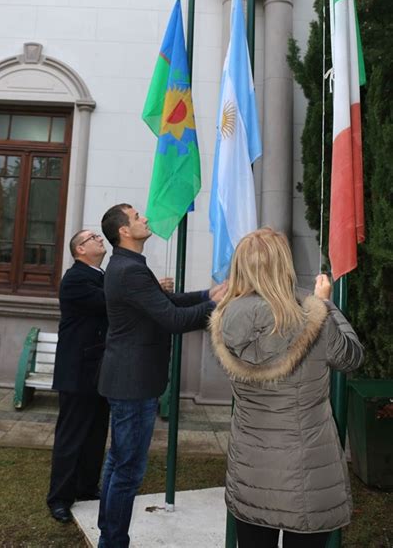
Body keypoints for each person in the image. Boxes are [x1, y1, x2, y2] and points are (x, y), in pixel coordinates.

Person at [210, 227, 364, 548]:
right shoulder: (312, 315)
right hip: (306, 470)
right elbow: (352, 357)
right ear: (284, 264)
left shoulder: (225, 316)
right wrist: (326, 306)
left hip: (251, 469)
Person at [97, 203, 226, 548]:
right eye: (137, 216)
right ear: (124, 230)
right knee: (128, 471)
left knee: (117, 461)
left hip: (127, 379)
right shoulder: (129, 270)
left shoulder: (128, 266)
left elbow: (165, 301)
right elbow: (173, 319)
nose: (145, 218)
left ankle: (108, 534)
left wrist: (206, 295)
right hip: (133, 382)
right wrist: (219, 304)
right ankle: (113, 542)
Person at [47, 229, 109, 523]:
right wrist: (147, 289)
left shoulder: (100, 275)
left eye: (98, 235)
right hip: (77, 371)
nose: (99, 238)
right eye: (92, 237)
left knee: (96, 433)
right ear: (79, 250)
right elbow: (112, 301)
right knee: (71, 436)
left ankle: (87, 488)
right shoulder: (75, 279)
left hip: (100, 371)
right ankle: (59, 497)